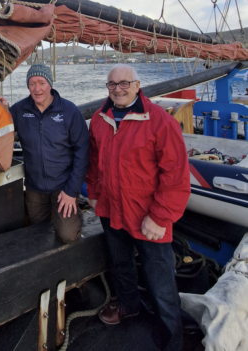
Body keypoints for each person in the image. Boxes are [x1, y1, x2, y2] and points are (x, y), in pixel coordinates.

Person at [86, 64, 190, 351]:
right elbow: (94, 163)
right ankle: (128, 306)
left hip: (147, 215)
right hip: (111, 209)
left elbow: (176, 176)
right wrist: (94, 194)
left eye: (124, 83)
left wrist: (158, 217)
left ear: (137, 85)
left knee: (161, 282)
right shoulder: (99, 119)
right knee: (120, 265)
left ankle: (172, 340)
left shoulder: (159, 122)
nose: (117, 89)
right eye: (112, 85)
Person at [0, 63, 89, 243]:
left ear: (50, 84)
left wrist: (71, 191)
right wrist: (2, 109)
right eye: (32, 83)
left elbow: (83, 153)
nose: (37, 89)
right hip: (34, 187)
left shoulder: (69, 111)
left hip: (63, 185)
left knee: (67, 235)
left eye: (42, 83)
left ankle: (75, 217)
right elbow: (2, 125)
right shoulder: (20, 110)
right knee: (38, 233)